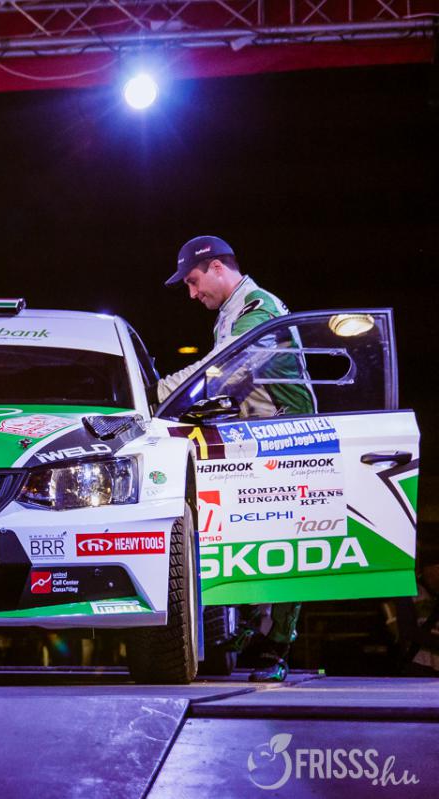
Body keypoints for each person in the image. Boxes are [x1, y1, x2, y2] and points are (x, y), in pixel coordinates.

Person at [159, 235, 309, 682]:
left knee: (287, 543)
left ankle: (276, 648)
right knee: (248, 535)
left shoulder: (256, 310)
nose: (191, 293)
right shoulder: (233, 311)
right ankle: (248, 630)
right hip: (259, 439)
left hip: (289, 440)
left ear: (218, 268)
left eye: (193, 281)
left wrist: (158, 393)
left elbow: (223, 371)